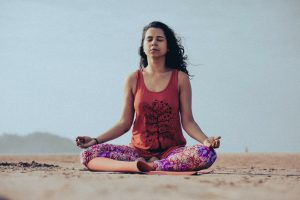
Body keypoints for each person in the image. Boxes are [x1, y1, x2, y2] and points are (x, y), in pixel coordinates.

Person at [76, 21, 221, 172]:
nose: (154, 43)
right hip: (136, 153)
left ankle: (151, 166)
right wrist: (95, 140)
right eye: (149, 39)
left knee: (207, 154)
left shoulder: (180, 78)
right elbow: (124, 123)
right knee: (87, 154)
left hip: (172, 153)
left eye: (159, 39)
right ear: (143, 46)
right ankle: (138, 165)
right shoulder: (133, 79)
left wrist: (206, 141)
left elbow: (188, 121)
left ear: (168, 46)